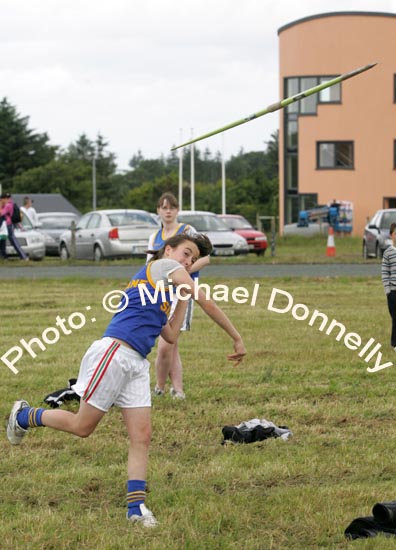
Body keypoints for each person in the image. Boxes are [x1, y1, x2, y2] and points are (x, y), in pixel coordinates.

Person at [7, 233, 246, 527]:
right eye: (185, 254)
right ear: (168, 250)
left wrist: (182, 298)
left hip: (135, 363)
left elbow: (170, 336)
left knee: (141, 436)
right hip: (115, 353)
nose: (188, 261)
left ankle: (135, 510)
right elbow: (206, 302)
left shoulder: (166, 289)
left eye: (193, 259)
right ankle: (25, 415)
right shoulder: (160, 267)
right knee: (83, 427)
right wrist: (236, 338)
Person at [147, 192, 210, 400]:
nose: (167, 211)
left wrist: (183, 273)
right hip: (163, 292)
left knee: (168, 344)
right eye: (163, 207)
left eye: (172, 207)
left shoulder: (187, 231)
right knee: (171, 344)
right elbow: (149, 266)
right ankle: (173, 388)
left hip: (182, 291)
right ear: (158, 210)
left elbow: (206, 258)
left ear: (177, 210)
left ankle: (161, 388)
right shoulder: (155, 237)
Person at [0, 192, 28, 260]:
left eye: (7, 198)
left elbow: (1, 213)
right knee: (2, 240)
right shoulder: (7, 204)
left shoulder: (8, 205)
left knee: (13, 240)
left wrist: (0, 205)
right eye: (5, 198)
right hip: (3, 225)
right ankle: (3, 256)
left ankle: (23, 256)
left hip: (8, 225)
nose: (7, 199)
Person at [381, 222, 396, 350]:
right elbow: (385, 273)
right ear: (392, 235)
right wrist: (388, 291)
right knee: (395, 317)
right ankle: (395, 343)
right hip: (393, 292)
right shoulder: (388, 253)